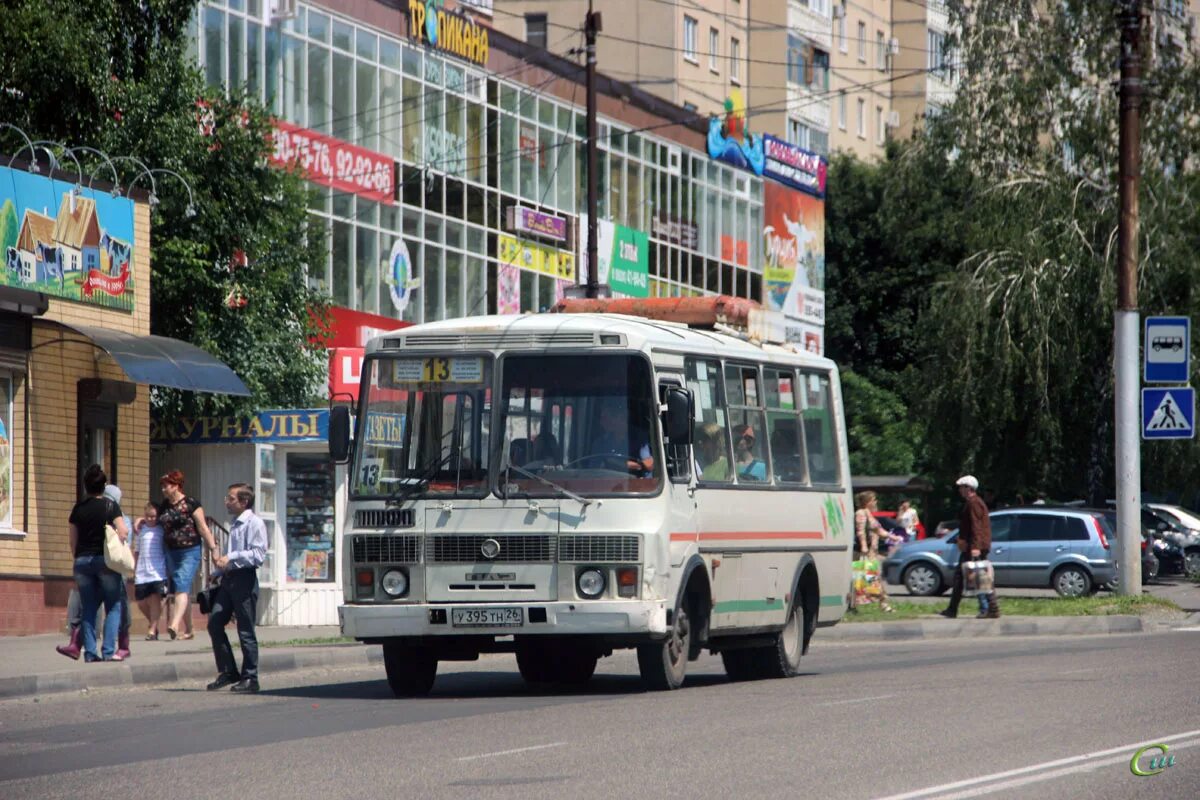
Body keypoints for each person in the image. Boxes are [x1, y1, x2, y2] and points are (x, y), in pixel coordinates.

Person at [206, 483, 268, 693]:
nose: (227, 502)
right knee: (215, 622)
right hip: (229, 579)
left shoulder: (255, 523)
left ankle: (250, 677)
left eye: (231, 498)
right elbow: (229, 554)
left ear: (244, 501)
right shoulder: (235, 523)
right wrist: (218, 572)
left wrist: (231, 557)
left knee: (245, 630)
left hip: (244, 580)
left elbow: (258, 555)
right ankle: (228, 671)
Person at [68, 464, 129, 661]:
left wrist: (79, 557)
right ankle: (109, 651)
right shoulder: (111, 506)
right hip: (106, 562)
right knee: (113, 605)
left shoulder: (78, 509)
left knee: (89, 607)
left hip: (82, 561)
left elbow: (73, 540)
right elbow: (123, 532)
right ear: (104, 487)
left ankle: (90, 653)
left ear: (86, 486)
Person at [154, 470, 217, 640]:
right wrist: (141, 522)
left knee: (181, 583)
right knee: (182, 587)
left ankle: (174, 624)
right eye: (163, 486)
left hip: (190, 551)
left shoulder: (191, 503)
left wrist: (213, 548)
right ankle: (189, 630)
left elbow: (203, 527)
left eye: (166, 486)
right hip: (170, 551)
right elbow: (156, 522)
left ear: (176, 486)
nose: (163, 490)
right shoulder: (164, 506)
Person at [940, 475, 1000, 619]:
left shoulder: (974, 503)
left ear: (969, 488)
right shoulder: (973, 502)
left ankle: (991, 608)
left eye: (962, 487)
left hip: (974, 546)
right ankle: (953, 609)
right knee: (964, 577)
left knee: (978, 576)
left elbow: (976, 526)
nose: (960, 490)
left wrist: (976, 547)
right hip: (971, 545)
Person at [853, 491, 895, 612]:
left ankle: (882, 604)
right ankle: (883, 604)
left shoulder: (869, 514)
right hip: (865, 553)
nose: (876, 502)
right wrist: (864, 546)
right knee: (867, 579)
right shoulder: (861, 513)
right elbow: (860, 531)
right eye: (874, 499)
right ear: (867, 502)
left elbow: (880, 531)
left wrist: (893, 537)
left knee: (870, 579)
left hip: (872, 552)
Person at [133, 501, 169, 640]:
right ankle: (153, 623)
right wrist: (135, 567)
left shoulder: (161, 530)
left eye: (154, 516)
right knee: (141, 602)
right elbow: (137, 551)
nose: (151, 519)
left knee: (155, 600)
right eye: (148, 516)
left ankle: (152, 630)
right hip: (142, 571)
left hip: (157, 570)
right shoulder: (140, 530)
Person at [590, 400, 653, 476]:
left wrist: (621, 464)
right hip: (606, 484)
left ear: (621, 418)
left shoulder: (641, 439)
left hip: (639, 484)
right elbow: (593, 469)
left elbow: (649, 465)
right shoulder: (600, 442)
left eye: (605, 418)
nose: (601, 422)